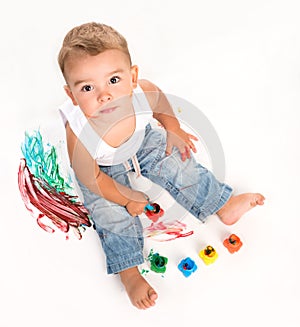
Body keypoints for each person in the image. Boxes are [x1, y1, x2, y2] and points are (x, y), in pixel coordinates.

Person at [57, 22, 265, 310]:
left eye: (114, 81)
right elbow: (89, 176)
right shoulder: (78, 131)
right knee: (108, 212)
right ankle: (129, 271)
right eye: (87, 87)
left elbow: (161, 106)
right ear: (72, 95)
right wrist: (123, 196)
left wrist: (172, 129)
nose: (103, 95)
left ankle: (220, 203)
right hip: (100, 168)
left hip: (140, 141)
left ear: (132, 77)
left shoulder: (142, 91)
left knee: (178, 164)